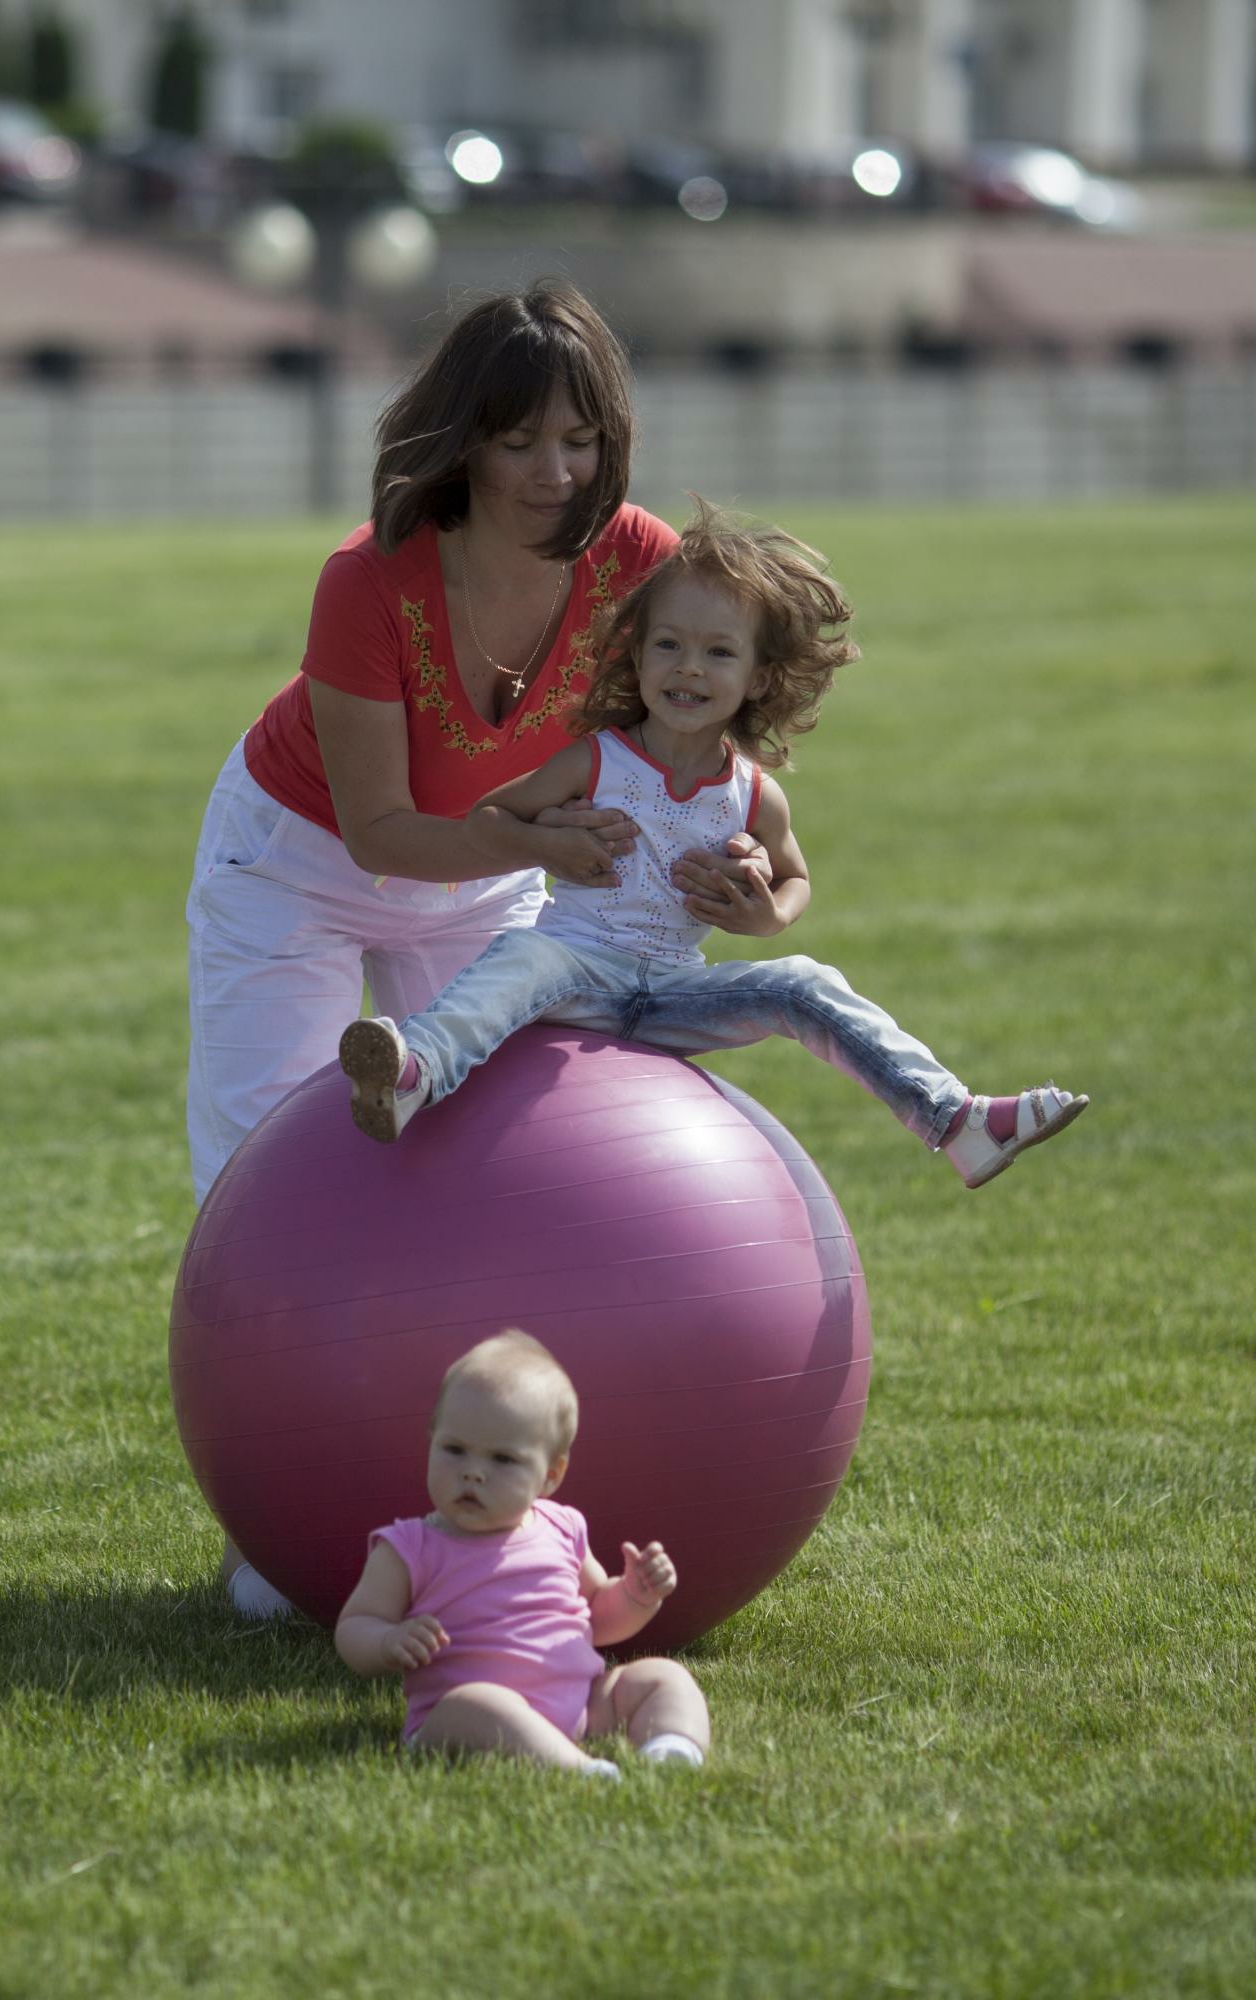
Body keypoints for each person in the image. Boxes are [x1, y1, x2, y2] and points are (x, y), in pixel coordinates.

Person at [185, 282, 767, 1622]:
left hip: (500, 869)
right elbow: (387, 831)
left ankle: (494, 1520)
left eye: (580, 439)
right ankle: (268, 1526)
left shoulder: (641, 561)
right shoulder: (369, 578)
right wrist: (551, 851)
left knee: (495, 1176)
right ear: (460, 440)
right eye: (517, 442)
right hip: (301, 868)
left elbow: (702, 733)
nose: (552, 474)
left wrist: (736, 857)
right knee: (267, 1175)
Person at [338, 502, 1088, 1185]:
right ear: (638, 659)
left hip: (674, 991)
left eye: (719, 654)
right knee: (518, 957)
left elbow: (796, 880)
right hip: (572, 969)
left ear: (759, 676)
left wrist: (765, 917)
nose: (689, 668)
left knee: (804, 982)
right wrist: (547, 845)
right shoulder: (596, 760)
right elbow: (487, 820)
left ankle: (956, 1121)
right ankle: (413, 1076)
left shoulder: (754, 793)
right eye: (668, 645)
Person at [334, 1333, 710, 1778]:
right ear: (431, 1441)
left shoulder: (562, 1528)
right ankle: (578, 1771)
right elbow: (355, 1625)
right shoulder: (410, 1546)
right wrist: (385, 1642)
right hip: (463, 1720)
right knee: (476, 1703)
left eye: (503, 1459)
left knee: (664, 1677)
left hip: (581, 1707)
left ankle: (671, 1749)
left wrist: (636, 1595)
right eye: (454, 1450)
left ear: (550, 1475)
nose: (473, 1472)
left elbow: (599, 1620)